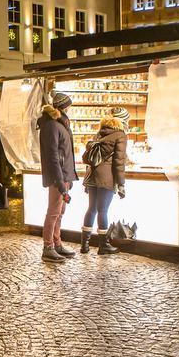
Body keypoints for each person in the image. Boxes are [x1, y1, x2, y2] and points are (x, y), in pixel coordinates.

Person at [80, 108, 128, 255]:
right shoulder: (120, 135)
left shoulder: (100, 132)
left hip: (92, 175)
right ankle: (104, 245)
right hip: (106, 177)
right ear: (122, 120)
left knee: (91, 209)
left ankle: (84, 245)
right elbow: (119, 162)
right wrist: (121, 183)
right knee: (103, 210)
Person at [37, 92, 78, 263]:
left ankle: (57, 243)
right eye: (68, 105)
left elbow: (64, 153)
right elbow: (53, 155)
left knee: (60, 211)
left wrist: (70, 176)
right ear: (63, 107)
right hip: (57, 176)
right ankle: (48, 247)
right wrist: (60, 180)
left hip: (64, 175)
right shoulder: (52, 125)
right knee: (53, 212)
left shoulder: (60, 124)